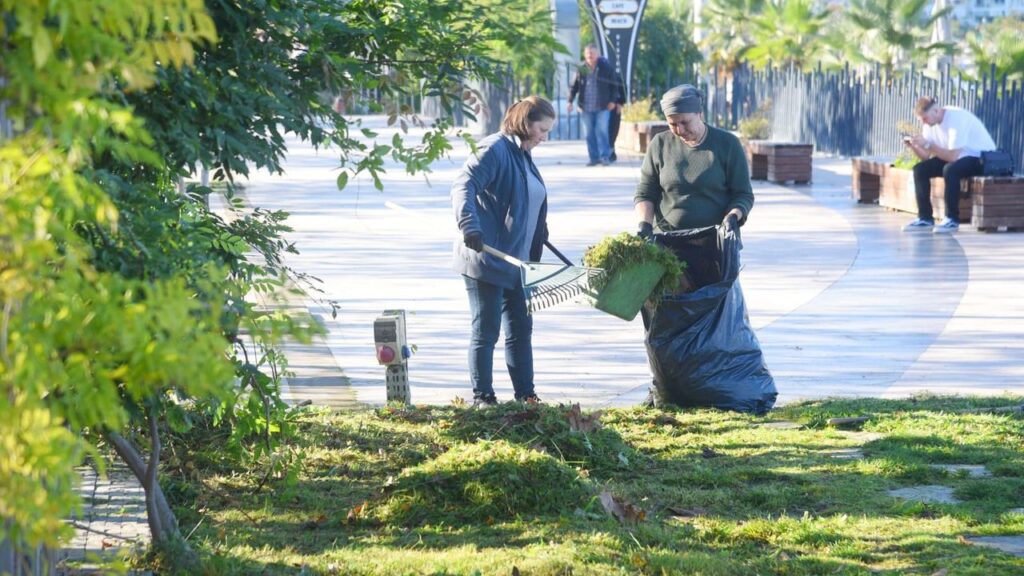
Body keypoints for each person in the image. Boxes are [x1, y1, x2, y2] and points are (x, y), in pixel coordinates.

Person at [451, 96, 555, 407]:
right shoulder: (495, 149)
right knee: (487, 331)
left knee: (521, 331)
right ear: (526, 123)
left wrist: (539, 229)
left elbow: (525, 197)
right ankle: (484, 398)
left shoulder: (523, 155)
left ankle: (526, 395)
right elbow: (463, 185)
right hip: (486, 257)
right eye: (542, 129)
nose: (544, 137)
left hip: (517, 262)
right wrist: (469, 224)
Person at [634, 84, 753, 239]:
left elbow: (743, 194)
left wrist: (733, 216)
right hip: (667, 240)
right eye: (673, 124)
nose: (680, 130)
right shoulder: (659, 144)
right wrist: (645, 225)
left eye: (685, 122)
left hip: (716, 240)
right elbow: (645, 192)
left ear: (700, 114)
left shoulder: (728, 144)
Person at [902, 96, 997, 234]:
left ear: (936, 111)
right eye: (921, 120)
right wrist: (914, 146)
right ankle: (925, 218)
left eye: (925, 118)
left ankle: (951, 219)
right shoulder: (929, 125)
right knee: (920, 170)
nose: (924, 122)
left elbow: (952, 157)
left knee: (950, 170)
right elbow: (925, 157)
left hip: (980, 158)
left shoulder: (956, 118)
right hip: (958, 158)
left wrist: (928, 144)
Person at [567, 44, 622, 166]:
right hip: (585, 106)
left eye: (592, 53)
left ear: (597, 54)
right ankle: (593, 158)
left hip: (603, 106)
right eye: (587, 53)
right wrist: (570, 101)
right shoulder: (581, 68)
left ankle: (605, 157)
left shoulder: (605, 67)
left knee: (602, 131)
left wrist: (613, 101)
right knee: (589, 133)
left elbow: (614, 85)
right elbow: (573, 87)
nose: (589, 55)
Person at [607, 69, 627, 163]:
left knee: (612, 130)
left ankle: (610, 151)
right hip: (600, 108)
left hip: (614, 107)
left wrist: (620, 102)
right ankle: (606, 153)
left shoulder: (615, 76)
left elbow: (622, 90)